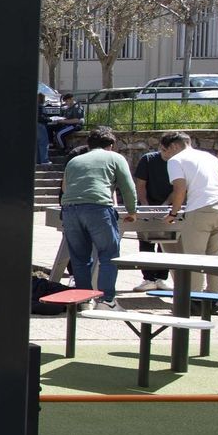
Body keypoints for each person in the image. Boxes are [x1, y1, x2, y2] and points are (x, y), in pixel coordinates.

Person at [59, 127, 138, 307]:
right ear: (111, 145)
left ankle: (84, 300)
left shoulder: (74, 161)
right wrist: (132, 212)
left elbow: (65, 187)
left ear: (89, 144)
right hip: (98, 208)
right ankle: (107, 300)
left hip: (70, 210)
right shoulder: (115, 158)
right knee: (109, 254)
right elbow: (128, 187)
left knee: (79, 257)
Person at [162, 130, 218, 293]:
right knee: (215, 257)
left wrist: (173, 214)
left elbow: (179, 190)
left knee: (194, 258)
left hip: (202, 209)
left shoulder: (176, 160)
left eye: (164, 150)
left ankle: (194, 300)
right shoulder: (211, 158)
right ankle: (215, 299)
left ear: (173, 146)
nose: (163, 154)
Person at [131, 135, 175, 291]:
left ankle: (162, 277)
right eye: (162, 149)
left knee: (166, 243)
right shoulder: (148, 159)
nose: (165, 153)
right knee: (146, 242)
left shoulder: (177, 162)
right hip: (147, 205)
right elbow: (141, 185)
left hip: (168, 206)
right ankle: (148, 278)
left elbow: (178, 187)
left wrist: (165, 205)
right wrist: (146, 206)